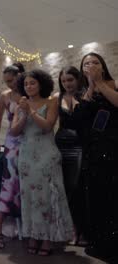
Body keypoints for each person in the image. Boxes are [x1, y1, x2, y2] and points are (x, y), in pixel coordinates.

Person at [11, 69, 73, 256]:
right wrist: (23, 113)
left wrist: (30, 111)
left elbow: (47, 127)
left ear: (41, 84)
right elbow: (14, 132)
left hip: (46, 155)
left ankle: (47, 238)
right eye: (26, 84)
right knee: (29, 199)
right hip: (27, 157)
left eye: (33, 83)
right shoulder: (20, 105)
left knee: (47, 197)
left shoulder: (51, 102)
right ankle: (32, 236)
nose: (29, 87)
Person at [73, 52, 118, 262]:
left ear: (103, 65)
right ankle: (101, 243)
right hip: (93, 150)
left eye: (95, 62)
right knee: (97, 197)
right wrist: (91, 86)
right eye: (86, 63)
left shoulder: (113, 83)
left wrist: (100, 83)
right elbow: (80, 117)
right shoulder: (83, 91)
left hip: (113, 146)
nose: (91, 65)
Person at [0, 63, 24, 248]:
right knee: (8, 183)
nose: (9, 84)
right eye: (6, 81)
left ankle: (29, 228)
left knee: (27, 185)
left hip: (30, 143)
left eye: (11, 80)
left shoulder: (30, 91)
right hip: (11, 144)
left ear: (20, 76)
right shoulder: (5, 96)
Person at [52, 66, 85, 245]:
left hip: (79, 143)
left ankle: (78, 229)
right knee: (61, 187)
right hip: (61, 143)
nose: (67, 84)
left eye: (70, 80)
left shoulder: (86, 94)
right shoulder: (57, 97)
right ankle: (66, 228)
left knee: (75, 186)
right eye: (64, 81)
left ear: (78, 79)